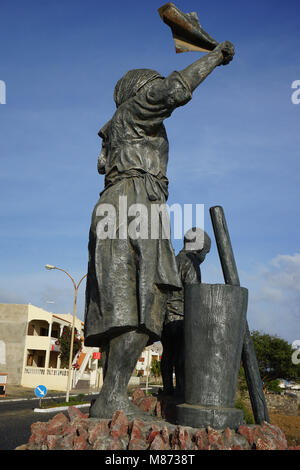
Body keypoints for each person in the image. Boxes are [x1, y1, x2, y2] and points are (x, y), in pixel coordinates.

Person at [84, 41, 235, 418]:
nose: (157, 93)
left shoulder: (118, 129)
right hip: (134, 205)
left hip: (121, 204)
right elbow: (175, 89)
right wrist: (215, 56)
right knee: (141, 301)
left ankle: (111, 396)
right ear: (140, 92)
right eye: (151, 87)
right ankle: (113, 397)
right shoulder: (135, 111)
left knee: (126, 300)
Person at [161, 228, 211, 398]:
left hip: (165, 316)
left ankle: (168, 389)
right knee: (183, 355)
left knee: (168, 354)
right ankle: (181, 391)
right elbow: (193, 294)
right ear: (199, 248)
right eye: (205, 252)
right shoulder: (190, 262)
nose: (204, 257)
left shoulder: (173, 260)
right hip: (181, 317)